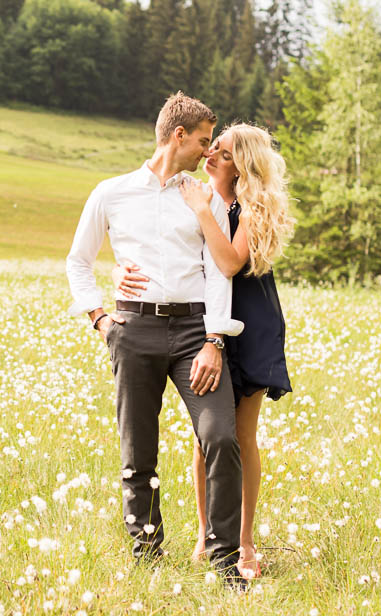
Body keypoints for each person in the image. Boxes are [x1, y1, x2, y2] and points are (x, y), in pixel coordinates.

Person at [65, 92, 247, 591]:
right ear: (178, 136)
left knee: (220, 437)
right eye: (205, 142)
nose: (208, 154)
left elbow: (219, 272)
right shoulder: (112, 192)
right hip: (133, 331)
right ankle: (146, 552)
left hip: (195, 334)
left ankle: (225, 561)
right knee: (137, 449)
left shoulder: (203, 197)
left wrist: (215, 339)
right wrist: (100, 318)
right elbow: (78, 261)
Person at [112, 122, 294, 580]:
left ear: (244, 164)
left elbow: (230, 262)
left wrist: (203, 212)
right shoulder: (191, 193)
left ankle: (244, 541)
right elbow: (158, 248)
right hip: (201, 321)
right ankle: (207, 536)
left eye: (225, 153)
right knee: (204, 434)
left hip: (249, 323)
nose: (211, 156)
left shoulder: (249, 205)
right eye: (211, 147)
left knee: (238, 434)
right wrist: (120, 277)